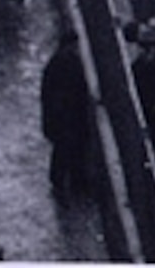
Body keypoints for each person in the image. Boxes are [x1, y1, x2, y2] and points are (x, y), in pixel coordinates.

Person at [40, 26, 100, 201]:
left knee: (63, 150)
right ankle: (72, 183)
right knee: (69, 150)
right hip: (69, 117)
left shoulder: (55, 63)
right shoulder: (71, 62)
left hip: (63, 116)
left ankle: (63, 182)